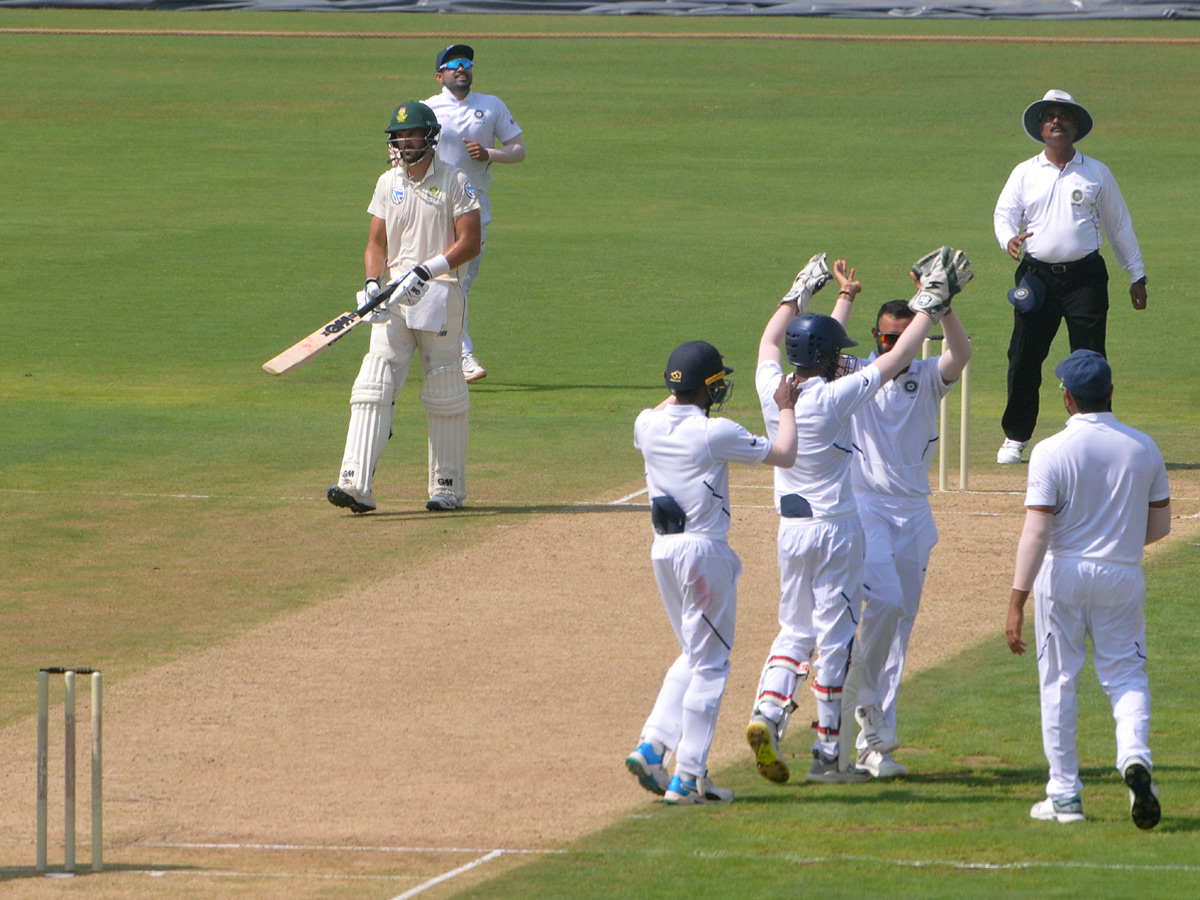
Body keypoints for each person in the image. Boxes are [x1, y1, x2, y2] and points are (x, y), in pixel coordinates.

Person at [744, 248, 969, 785]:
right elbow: (895, 358)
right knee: (837, 636)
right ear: (834, 355)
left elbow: (771, 341)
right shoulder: (838, 394)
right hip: (841, 527)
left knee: (794, 633)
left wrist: (807, 294)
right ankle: (828, 755)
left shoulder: (777, 390)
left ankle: (769, 715)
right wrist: (935, 300)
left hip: (792, 529)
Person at [624, 340, 801, 805]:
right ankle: (687, 776)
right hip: (704, 555)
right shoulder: (713, 431)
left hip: (663, 552)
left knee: (693, 654)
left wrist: (684, 381)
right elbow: (784, 454)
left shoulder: (646, 424)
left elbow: (670, 401)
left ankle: (652, 746)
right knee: (711, 665)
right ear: (706, 388)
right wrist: (786, 407)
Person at [1006, 349, 1170, 829]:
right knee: (1126, 675)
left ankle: (1064, 796)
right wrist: (1116, 539)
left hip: (1064, 574)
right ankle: (1135, 758)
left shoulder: (1051, 451)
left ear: (1067, 397)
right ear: (1111, 393)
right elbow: (1158, 526)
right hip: (1122, 572)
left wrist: (1016, 601)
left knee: (1059, 679)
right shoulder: (1143, 447)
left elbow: (1037, 532)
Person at [827, 291, 971, 779]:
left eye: (900, 338)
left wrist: (943, 303)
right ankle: (865, 709)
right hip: (866, 507)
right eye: (884, 337)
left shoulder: (928, 377)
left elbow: (962, 355)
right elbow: (822, 347)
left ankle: (874, 743)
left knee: (899, 626)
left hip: (914, 511)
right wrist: (843, 297)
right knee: (884, 603)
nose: (891, 345)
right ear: (874, 336)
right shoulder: (857, 375)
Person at [327, 100, 481, 514]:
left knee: (445, 389)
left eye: (410, 135)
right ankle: (355, 483)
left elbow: (470, 242)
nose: (402, 143)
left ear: (429, 137)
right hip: (394, 298)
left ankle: (446, 487)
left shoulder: (454, 180)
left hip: (441, 297)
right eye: (398, 136)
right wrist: (372, 285)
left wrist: (427, 271)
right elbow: (376, 244)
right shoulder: (385, 182)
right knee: (373, 382)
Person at [993, 89, 1148, 465]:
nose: (1056, 122)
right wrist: (1008, 240)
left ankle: (1093, 436)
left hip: (1085, 278)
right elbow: (1004, 214)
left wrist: (1137, 275)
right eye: (1049, 116)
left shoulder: (1096, 173)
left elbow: (1119, 226)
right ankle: (1016, 437)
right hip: (1036, 277)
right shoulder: (1024, 172)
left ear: (1076, 126)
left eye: (1064, 116)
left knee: (1090, 357)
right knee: (1024, 356)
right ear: (1041, 127)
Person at [424, 44, 526, 384]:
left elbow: (518, 150)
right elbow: (400, 148)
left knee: (456, 282)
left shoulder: (490, 105)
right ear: (440, 75)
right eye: (453, 65)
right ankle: (461, 355)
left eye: (466, 63)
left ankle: (437, 346)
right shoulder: (427, 109)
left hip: (475, 205)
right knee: (453, 283)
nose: (462, 69)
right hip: (435, 205)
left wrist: (489, 153)